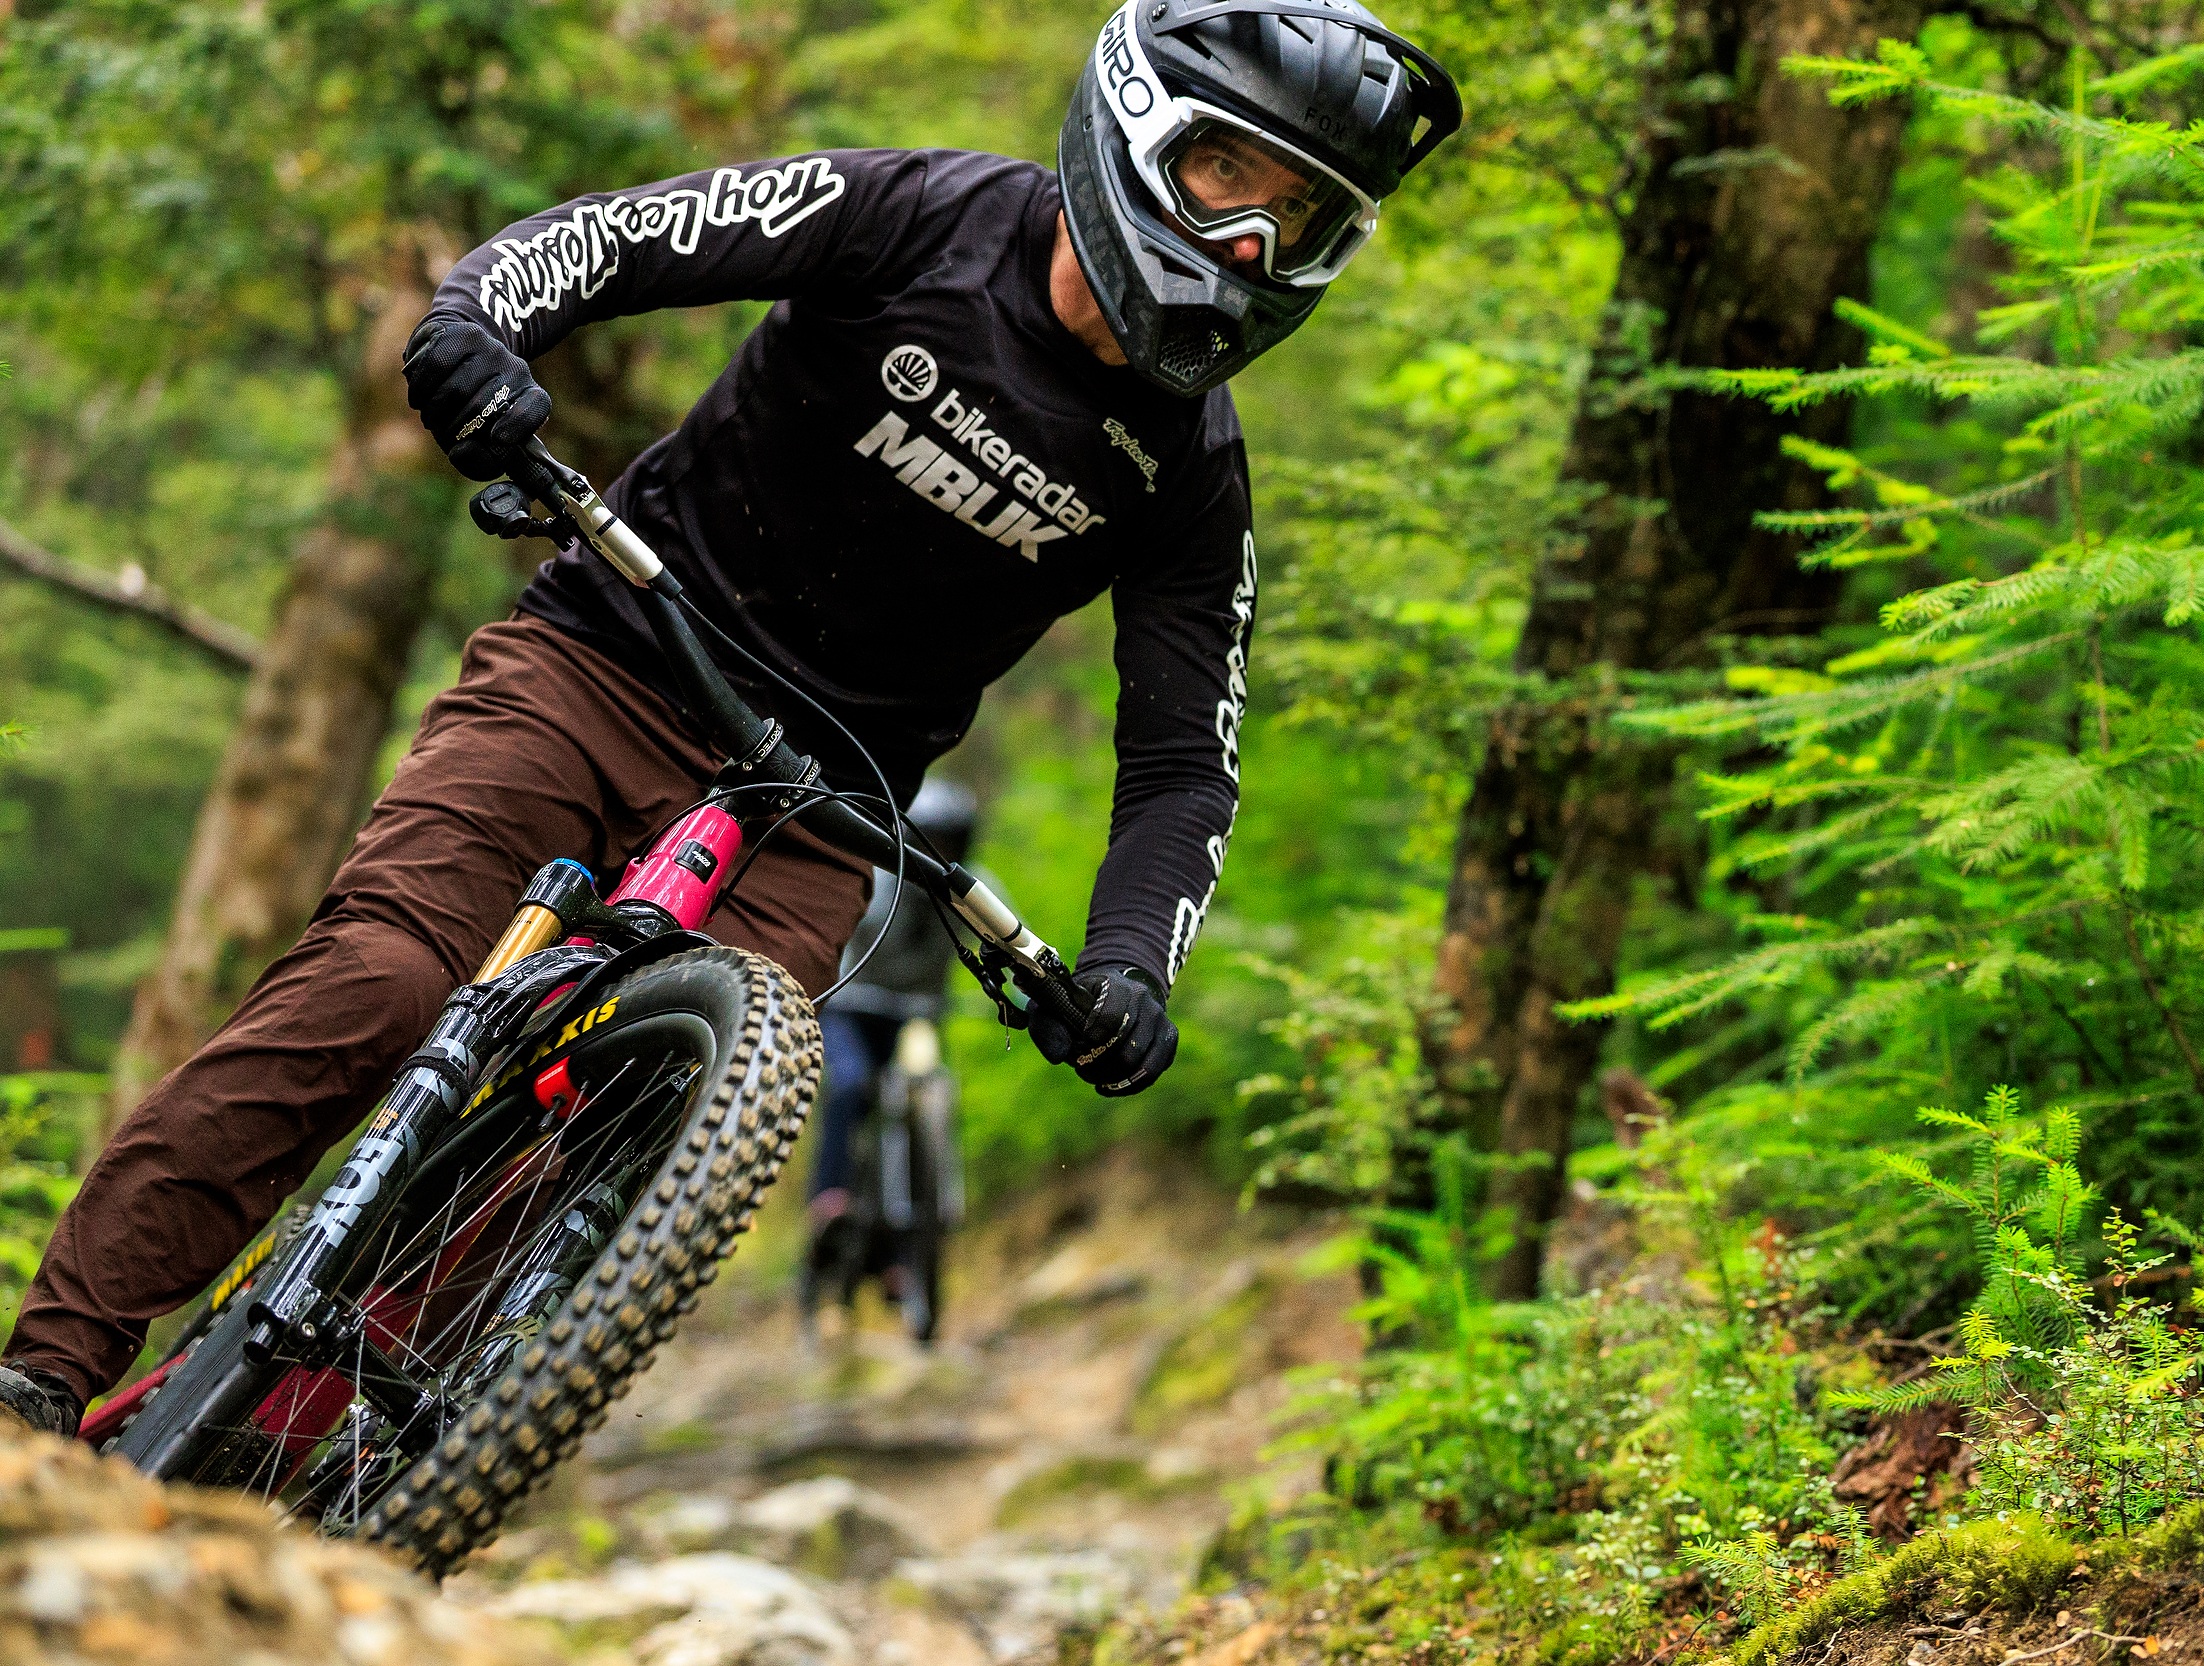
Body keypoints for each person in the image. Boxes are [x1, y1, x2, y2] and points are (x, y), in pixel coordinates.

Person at [0, 0, 1461, 1436]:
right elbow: (618, 237)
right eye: (1226, 175)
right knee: (378, 985)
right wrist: (475, 324)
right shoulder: (922, 215)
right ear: (1138, 127)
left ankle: (286, 1463)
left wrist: (1135, 962)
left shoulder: (1189, 471)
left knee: (603, 1151)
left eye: (1297, 218)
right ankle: (42, 1378)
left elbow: (1185, 764)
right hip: (604, 666)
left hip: (817, 817)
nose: (1250, 245)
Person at [805, 777, 977, 1241]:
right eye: (930, 840)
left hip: (914, 1015)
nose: (938, 853)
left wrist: (1030, 995)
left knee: (927, 1089)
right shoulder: (881, 882)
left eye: (949, 842)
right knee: (850, 1084)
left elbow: (1008, 936)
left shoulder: (972, 889)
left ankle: (914, 1239)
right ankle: (830, 1197)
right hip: (850, 1007)